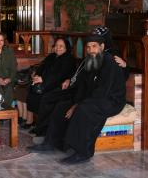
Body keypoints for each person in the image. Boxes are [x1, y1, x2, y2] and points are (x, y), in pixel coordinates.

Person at [28, 34, 126, 165]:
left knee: (84, 110)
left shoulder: (109, 62)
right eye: (88, 47)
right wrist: (75, 102)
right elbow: (83, 86)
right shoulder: (90, 60)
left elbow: (102, 92)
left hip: (111, 100)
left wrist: (77, 105)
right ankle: (51, 142)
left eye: (94, 46)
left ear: (102, 47)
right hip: (93, 97)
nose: (91, 50)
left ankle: (83, 152)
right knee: (61, 106)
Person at [26, 38, 76, 134]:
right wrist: (37, 75)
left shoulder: (69, 59)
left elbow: (60, 76)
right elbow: (42, 66)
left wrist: (43, 79)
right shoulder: (52, 56)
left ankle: (41, 129)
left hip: (58, 86)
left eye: (61, 46)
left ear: (66, 48)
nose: (58, 48)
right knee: (32, 93)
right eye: (56, 46)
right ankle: (36, 123)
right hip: (47, 83)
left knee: (44, 98)